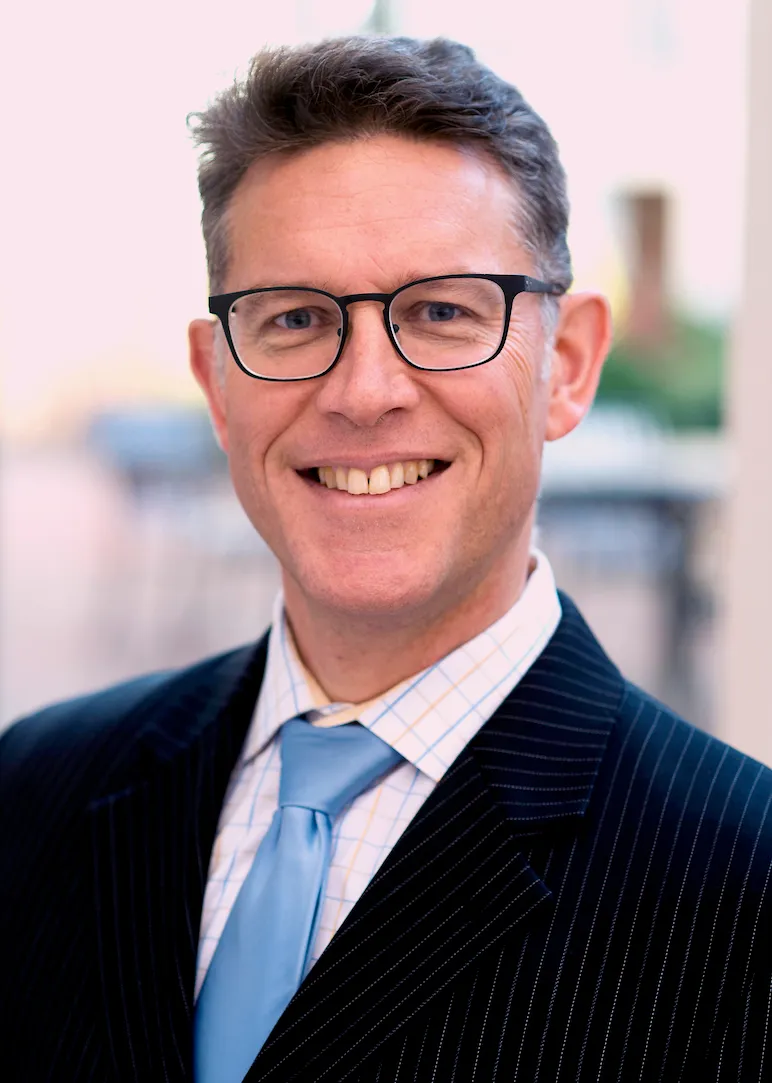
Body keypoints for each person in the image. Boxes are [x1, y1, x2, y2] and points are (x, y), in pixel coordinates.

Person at [1, 35, 770, 1083]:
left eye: (443, 311)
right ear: (217, 383)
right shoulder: (36, 788)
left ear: (569, 365)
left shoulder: (744, 881)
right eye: (297, 318)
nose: (365, 391)